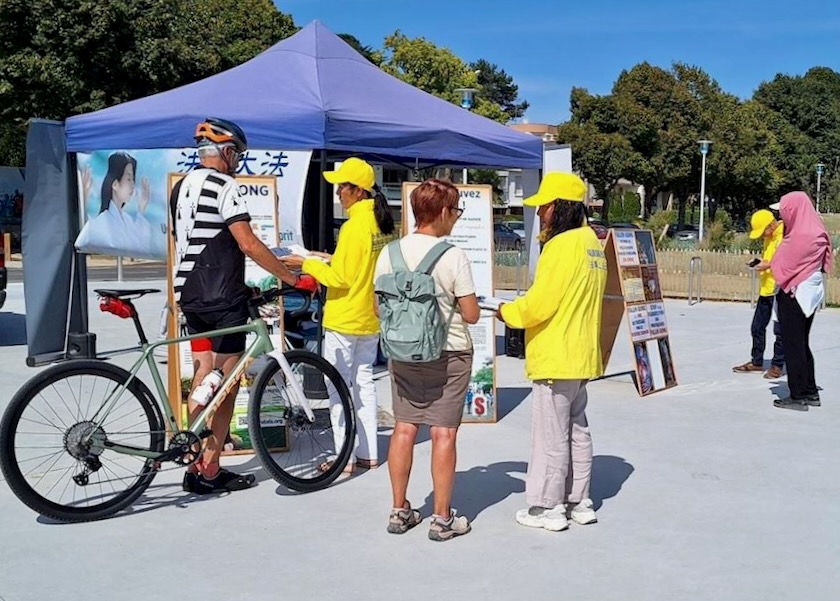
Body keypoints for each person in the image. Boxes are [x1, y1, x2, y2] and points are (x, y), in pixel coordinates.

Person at [171, 117, 317, 493]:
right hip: (221, 297)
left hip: (190, 295)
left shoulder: (181, 186)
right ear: (228, 151)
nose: (237, 162)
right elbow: (247, 243)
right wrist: (291, 279)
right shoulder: (225, 185)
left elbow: (197, 242)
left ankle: (194, 457)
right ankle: (211, 468)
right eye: (237, 155)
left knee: (204, 372)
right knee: (228, 383)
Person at [497, 172, 607, 532]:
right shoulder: (592, 242)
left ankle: (548, 506)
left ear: (559, 207)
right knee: (578, 431)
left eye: (544, 205)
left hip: (555, 354)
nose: (540, 213)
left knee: (551, 435)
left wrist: (506, 312)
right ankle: (581, 501)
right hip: (582, 355)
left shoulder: (560, 246)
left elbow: (541, 304)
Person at [374, 178, 480, 541]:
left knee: (405, 427)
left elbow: (378, 307)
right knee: (443, 433)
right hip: (449, 353)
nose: (457, 218)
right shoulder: (453, 255)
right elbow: (470, 314)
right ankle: (442, 519)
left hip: (402, 352)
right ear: (444, 212)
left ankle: (399, 510)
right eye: (456, 211)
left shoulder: (390, 253)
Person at [281, 157, 396, 474]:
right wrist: (324, 258)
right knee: (364, 386)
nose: (338, 193)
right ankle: (368, 453)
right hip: (370, 318)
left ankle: (342, 456)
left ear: (358, 191)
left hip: (344, 317)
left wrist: (306, 263)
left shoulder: (353, 226)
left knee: (337, 389)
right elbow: (359, 265)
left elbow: (341, 278)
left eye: (342, 187)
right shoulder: (383, 223)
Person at [768, 192, 832, 411]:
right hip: (810, 291)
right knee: (802, 342)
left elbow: (782, 262)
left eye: (783, 211)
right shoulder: (817, 230)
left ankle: (798, 395)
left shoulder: (800, 235)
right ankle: (810, 390)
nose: (781, 215)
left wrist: (770, 264)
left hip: (795, 292)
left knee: (792, 344)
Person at [732, 209, 785, 379]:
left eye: (763, 231)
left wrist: (768, 265)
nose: (762, 236)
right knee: (757, 327)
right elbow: (770, 259)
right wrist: (760, 262)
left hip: (779, 289)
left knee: (780, 330)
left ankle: (777, 365)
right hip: (766, 289)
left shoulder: (785, 234)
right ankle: (756, 361)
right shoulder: (769, 238)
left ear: (771, 224)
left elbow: (786, 260)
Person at [75, 152, 155, 257]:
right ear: (115, 184)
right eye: (129, 179)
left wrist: (141, 210)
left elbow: (142, 247)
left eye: (133, 179)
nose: (132, 185)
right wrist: (84, 201)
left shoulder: (128, 220)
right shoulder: (101, 222)